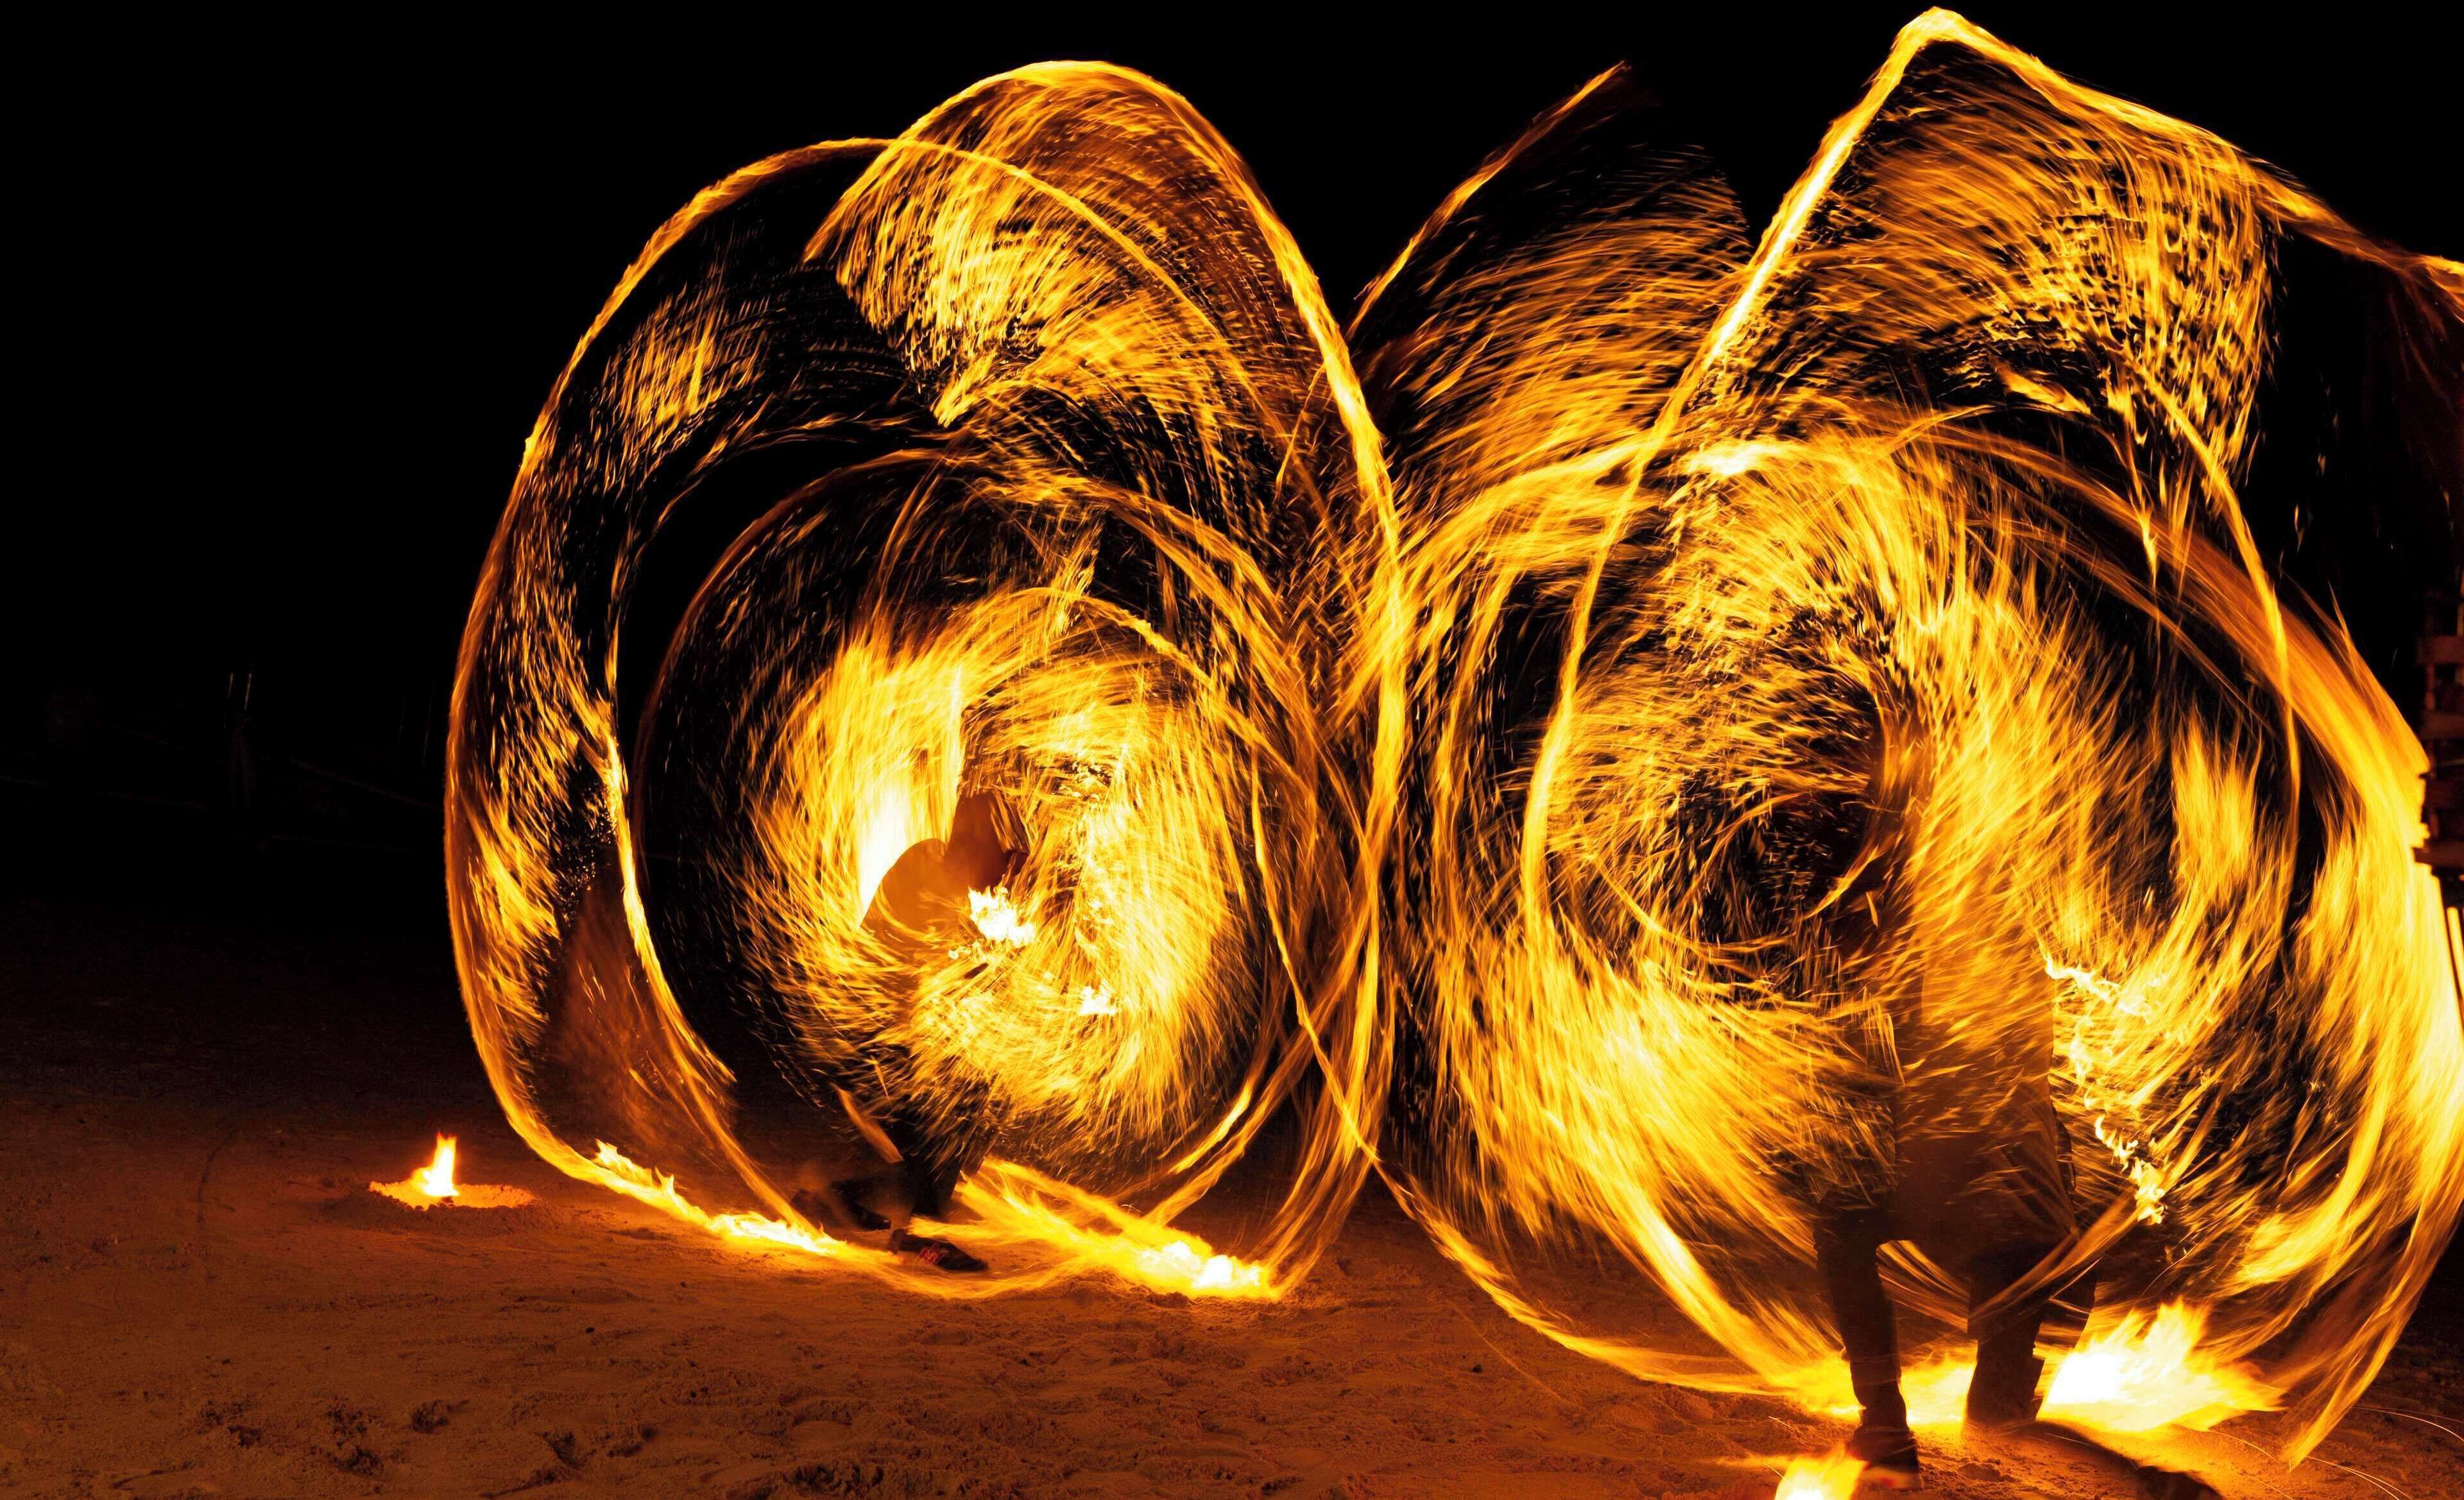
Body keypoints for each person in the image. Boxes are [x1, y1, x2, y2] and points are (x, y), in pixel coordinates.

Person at [813, 789, 1027, 1272]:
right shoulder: (933, 878)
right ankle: (924, 1236)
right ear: (975, 845)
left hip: (871, 1039)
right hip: (867, 1043)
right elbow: (919, 992)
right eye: (1003, 857)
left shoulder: (948, 871)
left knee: (949, 1131)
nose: (1007, 875)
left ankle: (833, 1199)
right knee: (959, 1103)